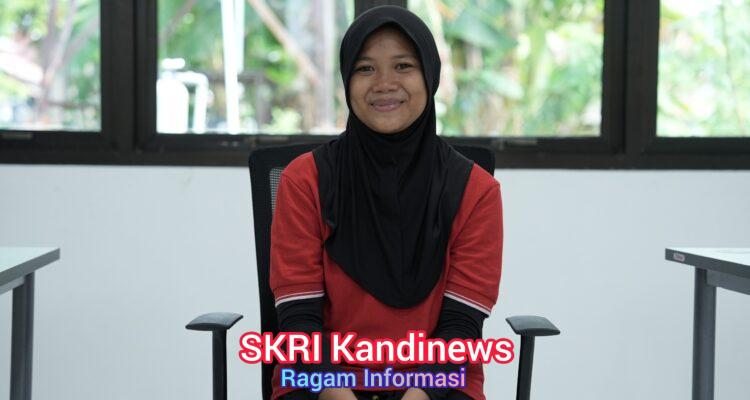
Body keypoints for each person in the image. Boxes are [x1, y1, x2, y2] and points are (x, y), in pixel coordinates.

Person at [269, 5, 502, 400]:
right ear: (347, 80)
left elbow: (461, 330)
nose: (384, 83)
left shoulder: (475, 191)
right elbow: (299, 324)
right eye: (365, 69)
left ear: (430, 76)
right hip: (322, 381)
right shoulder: (304, 180)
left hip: (436, 384)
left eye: (403, 66)